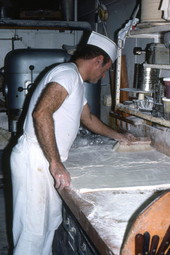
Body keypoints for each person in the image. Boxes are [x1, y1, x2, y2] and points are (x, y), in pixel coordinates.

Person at [10, 31, 134, 255]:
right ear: (98, 60)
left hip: (44, 159)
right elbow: (42, 113)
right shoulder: (66, 74)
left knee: (48, 226)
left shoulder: (74, 79)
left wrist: (120, 136)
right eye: (105, 70)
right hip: (35, 159)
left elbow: (88, 119)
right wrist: (56, 162)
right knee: (32, 233)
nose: (103, 76)